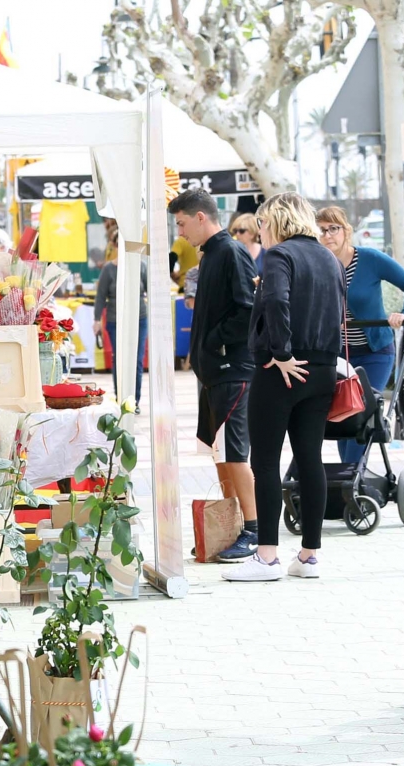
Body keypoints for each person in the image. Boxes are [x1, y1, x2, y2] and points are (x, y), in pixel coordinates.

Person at [224, 192, 345, 583]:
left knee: (265, 461)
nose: (261, 231)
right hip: (324, 368)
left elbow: (278, 300)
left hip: (283, 370)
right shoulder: (329, 257)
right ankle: (309, 555)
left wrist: (280, 351)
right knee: (310, 457)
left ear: (275, 219)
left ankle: (267, 556)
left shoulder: (279, 255)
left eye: (262, 223)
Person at [168, 188, 260, 561]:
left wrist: (215, 345)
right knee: (220, 451)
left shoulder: (231, 253)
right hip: (214, 371)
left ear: (201, 217)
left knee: (235, 453)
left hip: (231, 369)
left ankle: (254, 531)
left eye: (182, 223)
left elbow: (247, 309)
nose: (180, 232)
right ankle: (231, 523)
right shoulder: (212, 255)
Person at [315, 204, 404, 464]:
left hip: (374, 353)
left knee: (360, 414)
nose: (328, 235)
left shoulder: (370, 259)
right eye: (321, 230)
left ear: (347, 231)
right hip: (337, 356)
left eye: (334, 228)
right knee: (339, 416)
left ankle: (351, 478)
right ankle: (348, 479)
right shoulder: (317, 263)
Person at [93, 227, 149, 405]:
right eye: (120, 244)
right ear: (115, 245)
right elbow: (101, 297)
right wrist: (96, 321)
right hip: (115, 319)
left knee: (137, 360)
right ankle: (121, 398)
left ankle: (135, 401)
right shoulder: (108, 270)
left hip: (139, 318)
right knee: (120, 359)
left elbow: (150, 290)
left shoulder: (141, 266)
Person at [229, 212, 264, 276]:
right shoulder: (232, 251)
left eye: (241, 231)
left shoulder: (265, 252)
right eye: (235, 231)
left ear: (252, 233)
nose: (237, 234)